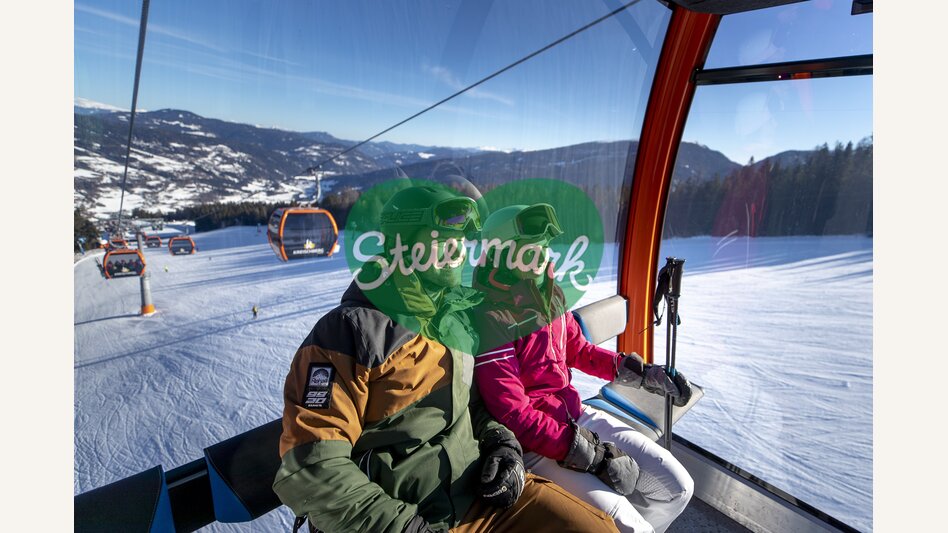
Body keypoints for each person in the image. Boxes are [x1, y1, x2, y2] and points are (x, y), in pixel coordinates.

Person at [273, 185, 618, 533]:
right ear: (403, 244)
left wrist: (502, 444)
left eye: (462, 241)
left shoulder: (455, 318)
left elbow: (476, 404)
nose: (458, 251)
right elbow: (314, 466)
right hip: (404, 516)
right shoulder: (348, 333)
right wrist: (405, 527)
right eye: (443, 239)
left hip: (480, 497)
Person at [471, 204, 695, 533]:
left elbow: (578, 350)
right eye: (532, 248)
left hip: (576, 416)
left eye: (545, 247)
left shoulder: (551, 296)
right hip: (537, 444)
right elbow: (513, 413)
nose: (543, 256)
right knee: (627, 527)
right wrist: (590, 455)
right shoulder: (491, 317)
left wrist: (642, 374)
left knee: (677, 488)